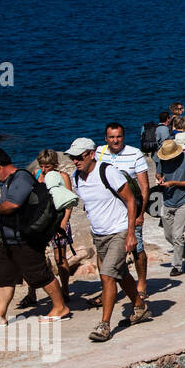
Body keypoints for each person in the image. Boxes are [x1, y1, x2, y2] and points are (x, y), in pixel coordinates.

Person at [66, 138, 151, 341]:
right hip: (99, 234)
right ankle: (139, 306)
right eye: (72, 157)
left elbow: (130, 199)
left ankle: (104, 325)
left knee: (107, 275)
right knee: (120, 273)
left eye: (79, 157)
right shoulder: (76, 177)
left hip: (119, 231)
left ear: (91, 154)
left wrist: (131, 232)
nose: (75, 161)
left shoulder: (107, 171)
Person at [0, 149, 71, 326]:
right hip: (9, 241)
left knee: (40, 275)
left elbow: (13, 204)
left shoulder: (20, 178)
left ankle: (60, 307)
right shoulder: (8, 182)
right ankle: (0, 314)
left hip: (24, 240)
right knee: (4, 277)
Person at [97, 122, 151, 299]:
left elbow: (144, 187)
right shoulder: (99, 153)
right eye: (111, 137)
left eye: (118, 136)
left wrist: (141, 213)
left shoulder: (135, 154)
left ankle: (141, 282)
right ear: (106, 138)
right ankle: (108, 285)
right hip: (107, 213)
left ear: (124, 137)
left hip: (130, 210)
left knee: (137, 247)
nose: (115, 140)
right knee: (103, 250)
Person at [21, 149, 77, 308]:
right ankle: (32, 293)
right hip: (40, 221)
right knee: (34, 257)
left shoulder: (63, 176)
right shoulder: (36, 174)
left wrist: (64, 221)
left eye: (48, 166)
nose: (45, 170)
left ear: (55, 165)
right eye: (42, 166)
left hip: (58, 220)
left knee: (60, 257)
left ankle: (65, 290)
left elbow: (68, 201)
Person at [154, 138, 185, 276]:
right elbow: (158, 173)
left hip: (184, 201)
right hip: (167, 201)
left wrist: (173, 183)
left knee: (178, 235)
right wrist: (160, 179)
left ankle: (177, 266)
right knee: (169, 236)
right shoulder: (162, 160)